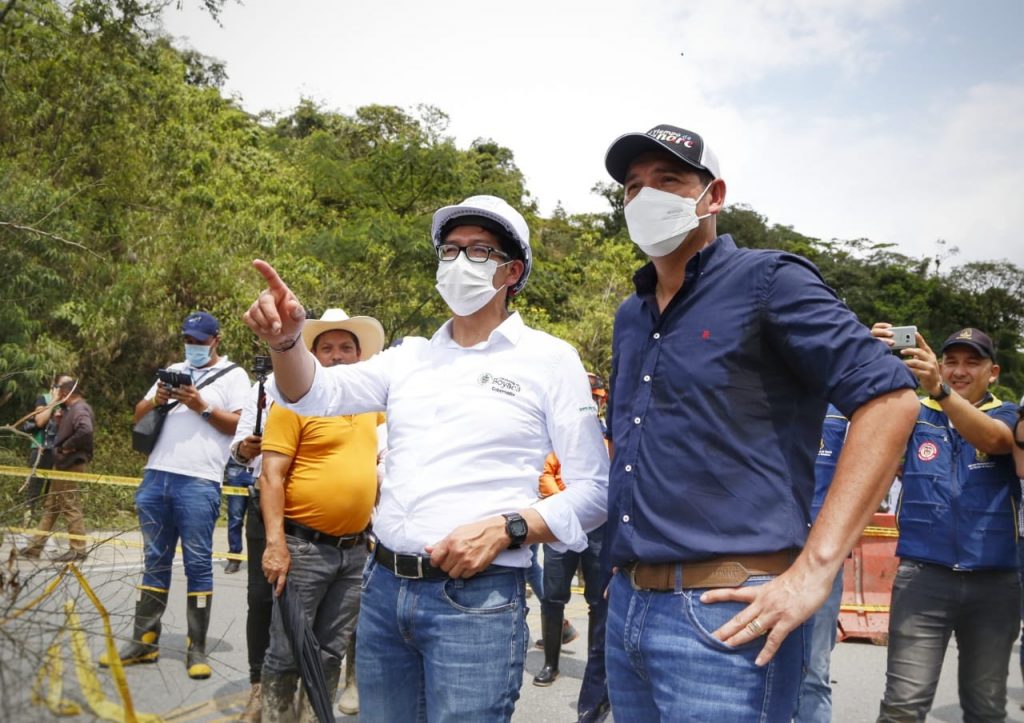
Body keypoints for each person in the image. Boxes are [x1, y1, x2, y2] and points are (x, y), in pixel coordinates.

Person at [243, 194, 609, 722]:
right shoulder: (409, 356)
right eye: (450, 249)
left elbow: (594, 490)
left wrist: (509, 527)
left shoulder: (550, 360)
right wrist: (286, 342)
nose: (459, 262)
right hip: (384, 590)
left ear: (513, 270)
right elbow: (313, 393)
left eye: (478, 251)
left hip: (476, 604)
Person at [601, 124, 920, 721]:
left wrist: (814, 571)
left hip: (729, 608)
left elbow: (890, 399)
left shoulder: (769, 281)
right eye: (633, 187)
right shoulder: (631, 315)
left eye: (668, 180)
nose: (647, 197)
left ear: (713, 195)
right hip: (630, 605)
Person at [871, 325, 1020, 722]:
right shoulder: (914, 411)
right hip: (923, 578)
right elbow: (867, 413)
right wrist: (867, 351)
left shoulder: (1008, 414)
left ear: (994, 373)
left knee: (986, 708)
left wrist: (941, 392)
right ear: (938, 364)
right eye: (950, 361)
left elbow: (995, 441)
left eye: (973, 363)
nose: (959, 370)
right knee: (902, 705)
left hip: (996, 582)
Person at [101, 310, 250, 679]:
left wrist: (202, 405)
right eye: (188, 339)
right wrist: (160, 399)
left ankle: (196, 649)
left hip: (198, 481)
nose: (193, 346)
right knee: (154, 560)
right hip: (156, 477)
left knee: (198, 563)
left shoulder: (234, 376)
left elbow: (241, 426)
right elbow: (137, 416)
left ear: (216, 340)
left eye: (200, 340)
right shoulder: (172, 368)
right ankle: (144, 642)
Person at [259, 308, 386, 722]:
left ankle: (317, 718)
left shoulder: (372, 406)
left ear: (359, 355)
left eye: (346, 348)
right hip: (302, 548)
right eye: (326, 348)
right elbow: (271, 477)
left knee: (332, 648)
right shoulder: (291, 403)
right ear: (312, 356)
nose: (337, 355)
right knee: (287, 649)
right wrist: (275, 545)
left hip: (354, 551)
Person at [795, 405, 850, 722]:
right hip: (758, 551)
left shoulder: (846, 406)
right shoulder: (765, 391)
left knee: (813, 670)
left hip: (821, 559)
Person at [230, 362, 274, 722]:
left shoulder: (330, 389)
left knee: (303, 607)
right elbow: (237, 449)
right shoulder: (263, 390)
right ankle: (258, 688)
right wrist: (245, 448)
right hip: (263, 503)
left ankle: (304, 691)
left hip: (312, 511)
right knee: (260, 599)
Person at [19, 377, 94, 562]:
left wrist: (68, 445)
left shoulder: (79, 408)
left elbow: (85, 430)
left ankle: (78, 549)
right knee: (51, 507)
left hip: (71, 464)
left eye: (58, 393)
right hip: (62, 464)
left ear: (63, 393)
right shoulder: (71, 410)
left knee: (70, 505)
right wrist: (61, 422)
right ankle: (35, 547)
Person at [19, 375, 71, 523]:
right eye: (63, 385)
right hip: (41, 448)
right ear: (55, 386)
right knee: (33, 490)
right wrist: (54, 401)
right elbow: (40, 421)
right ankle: (27, 522)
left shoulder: (70, 404)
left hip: (60, 452)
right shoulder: (45, 399)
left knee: (53, 492)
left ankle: (44, 526)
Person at [223, 458, 255, 575]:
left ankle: (258, 557)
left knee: (259, 520)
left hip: (261, 468)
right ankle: (234, 557)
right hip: (237, 468)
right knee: (235, 518)